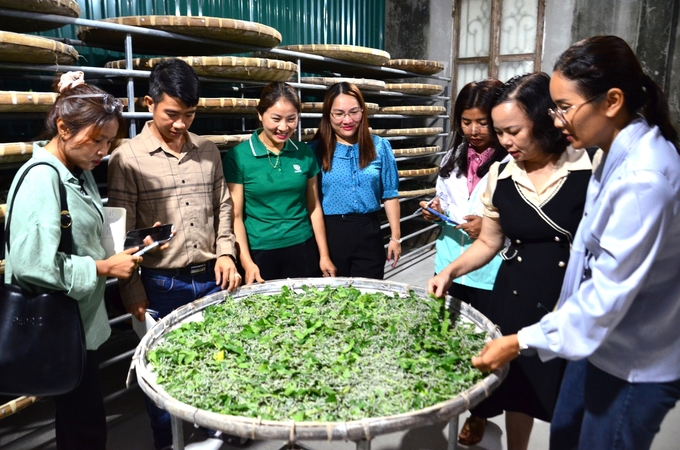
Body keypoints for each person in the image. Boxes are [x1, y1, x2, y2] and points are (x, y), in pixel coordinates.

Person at [469, 35, 680, 450]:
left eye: (564, 107)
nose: (557, 119)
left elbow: (605, 297)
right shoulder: (614, 153)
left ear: (612, 101)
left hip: (631, 362)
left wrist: (517, 342)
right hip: (596, 345)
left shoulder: (643, 179)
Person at [428, 72, 598, 450]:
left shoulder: (588, 167)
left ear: (543, 120)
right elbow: (489, 241)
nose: (504, 141)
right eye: (500, 132)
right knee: (519, 387)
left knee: (569, 395)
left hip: (570, 300)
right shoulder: (501, 174)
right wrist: (450, 271)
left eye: (513, 131)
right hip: (516, 294)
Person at [107, 59, 243, 450]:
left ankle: (221, 436)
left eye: (189, 114)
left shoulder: (208, 151)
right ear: (149, 102)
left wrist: (226, 254)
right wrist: (131, 290)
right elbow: (122, 234)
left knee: (220, 361)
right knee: (165, 374)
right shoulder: (128, 158)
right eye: (172, 114)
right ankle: (170, 443)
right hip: (163, 284)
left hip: (213, 280)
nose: (181, 124)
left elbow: (222, 207)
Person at [4, 71, 140, 449]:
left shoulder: (76, 172)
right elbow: (32, 263)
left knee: (81, 421)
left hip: (78, 326)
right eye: (96, 140)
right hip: (61, 327)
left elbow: (82, 233)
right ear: (63, 127)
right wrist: (101, 268)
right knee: (83, 426)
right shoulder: (41, 179)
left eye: (109, 141)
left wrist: (130, 246)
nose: (102, 150)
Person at [419, 79, 508, 445]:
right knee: (450, 338)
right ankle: (452, 396)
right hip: (450, 262)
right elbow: (445, 198)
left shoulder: (511, 161)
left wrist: (486, 226)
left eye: (482, 122)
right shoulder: (452, 158)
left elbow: (517, 221)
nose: (473, 130)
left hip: (489, 270)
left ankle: (481, 413)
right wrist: (435, 209)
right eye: (466, 121)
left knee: (488, 346)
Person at [223, 81, 336, 283]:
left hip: (303, 247)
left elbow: (314, 207)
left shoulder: (304, 153)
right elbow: (236, 216)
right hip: (260, 252)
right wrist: (247, 262)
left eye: (291, 119)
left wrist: (324, 256)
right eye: (276, 119)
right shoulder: (239, 156)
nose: (284, 127)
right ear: (260, 114)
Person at [310, 81, 401, 278]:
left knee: (369, 298)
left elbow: (390, 194)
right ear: (328, 115)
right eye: (339, 113)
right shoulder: (316, 151)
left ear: (363, 111)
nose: (347, 119)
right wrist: (322, 253)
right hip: (330, 234)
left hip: (370, 232)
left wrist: (395, 237)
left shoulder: (380, 147)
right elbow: (311, 202)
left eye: (354, 112)